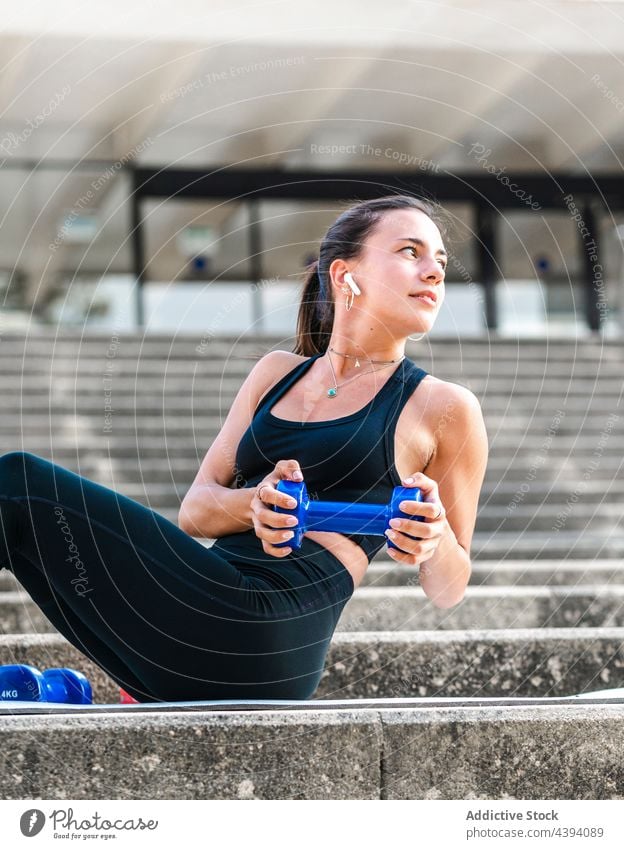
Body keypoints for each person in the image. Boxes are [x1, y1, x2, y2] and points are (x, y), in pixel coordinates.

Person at [0, 194, 487, 704]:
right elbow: (195, 512)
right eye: (411, 251)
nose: (434, 271)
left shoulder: (445, 406)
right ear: (346, 276)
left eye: (441, 261)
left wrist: (431, 542)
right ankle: (55, 691)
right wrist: (252, 504)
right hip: (206, 603)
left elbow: (448, 588)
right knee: (18, 509)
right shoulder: (276, 374)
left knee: (14, 483)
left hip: (268, 633)